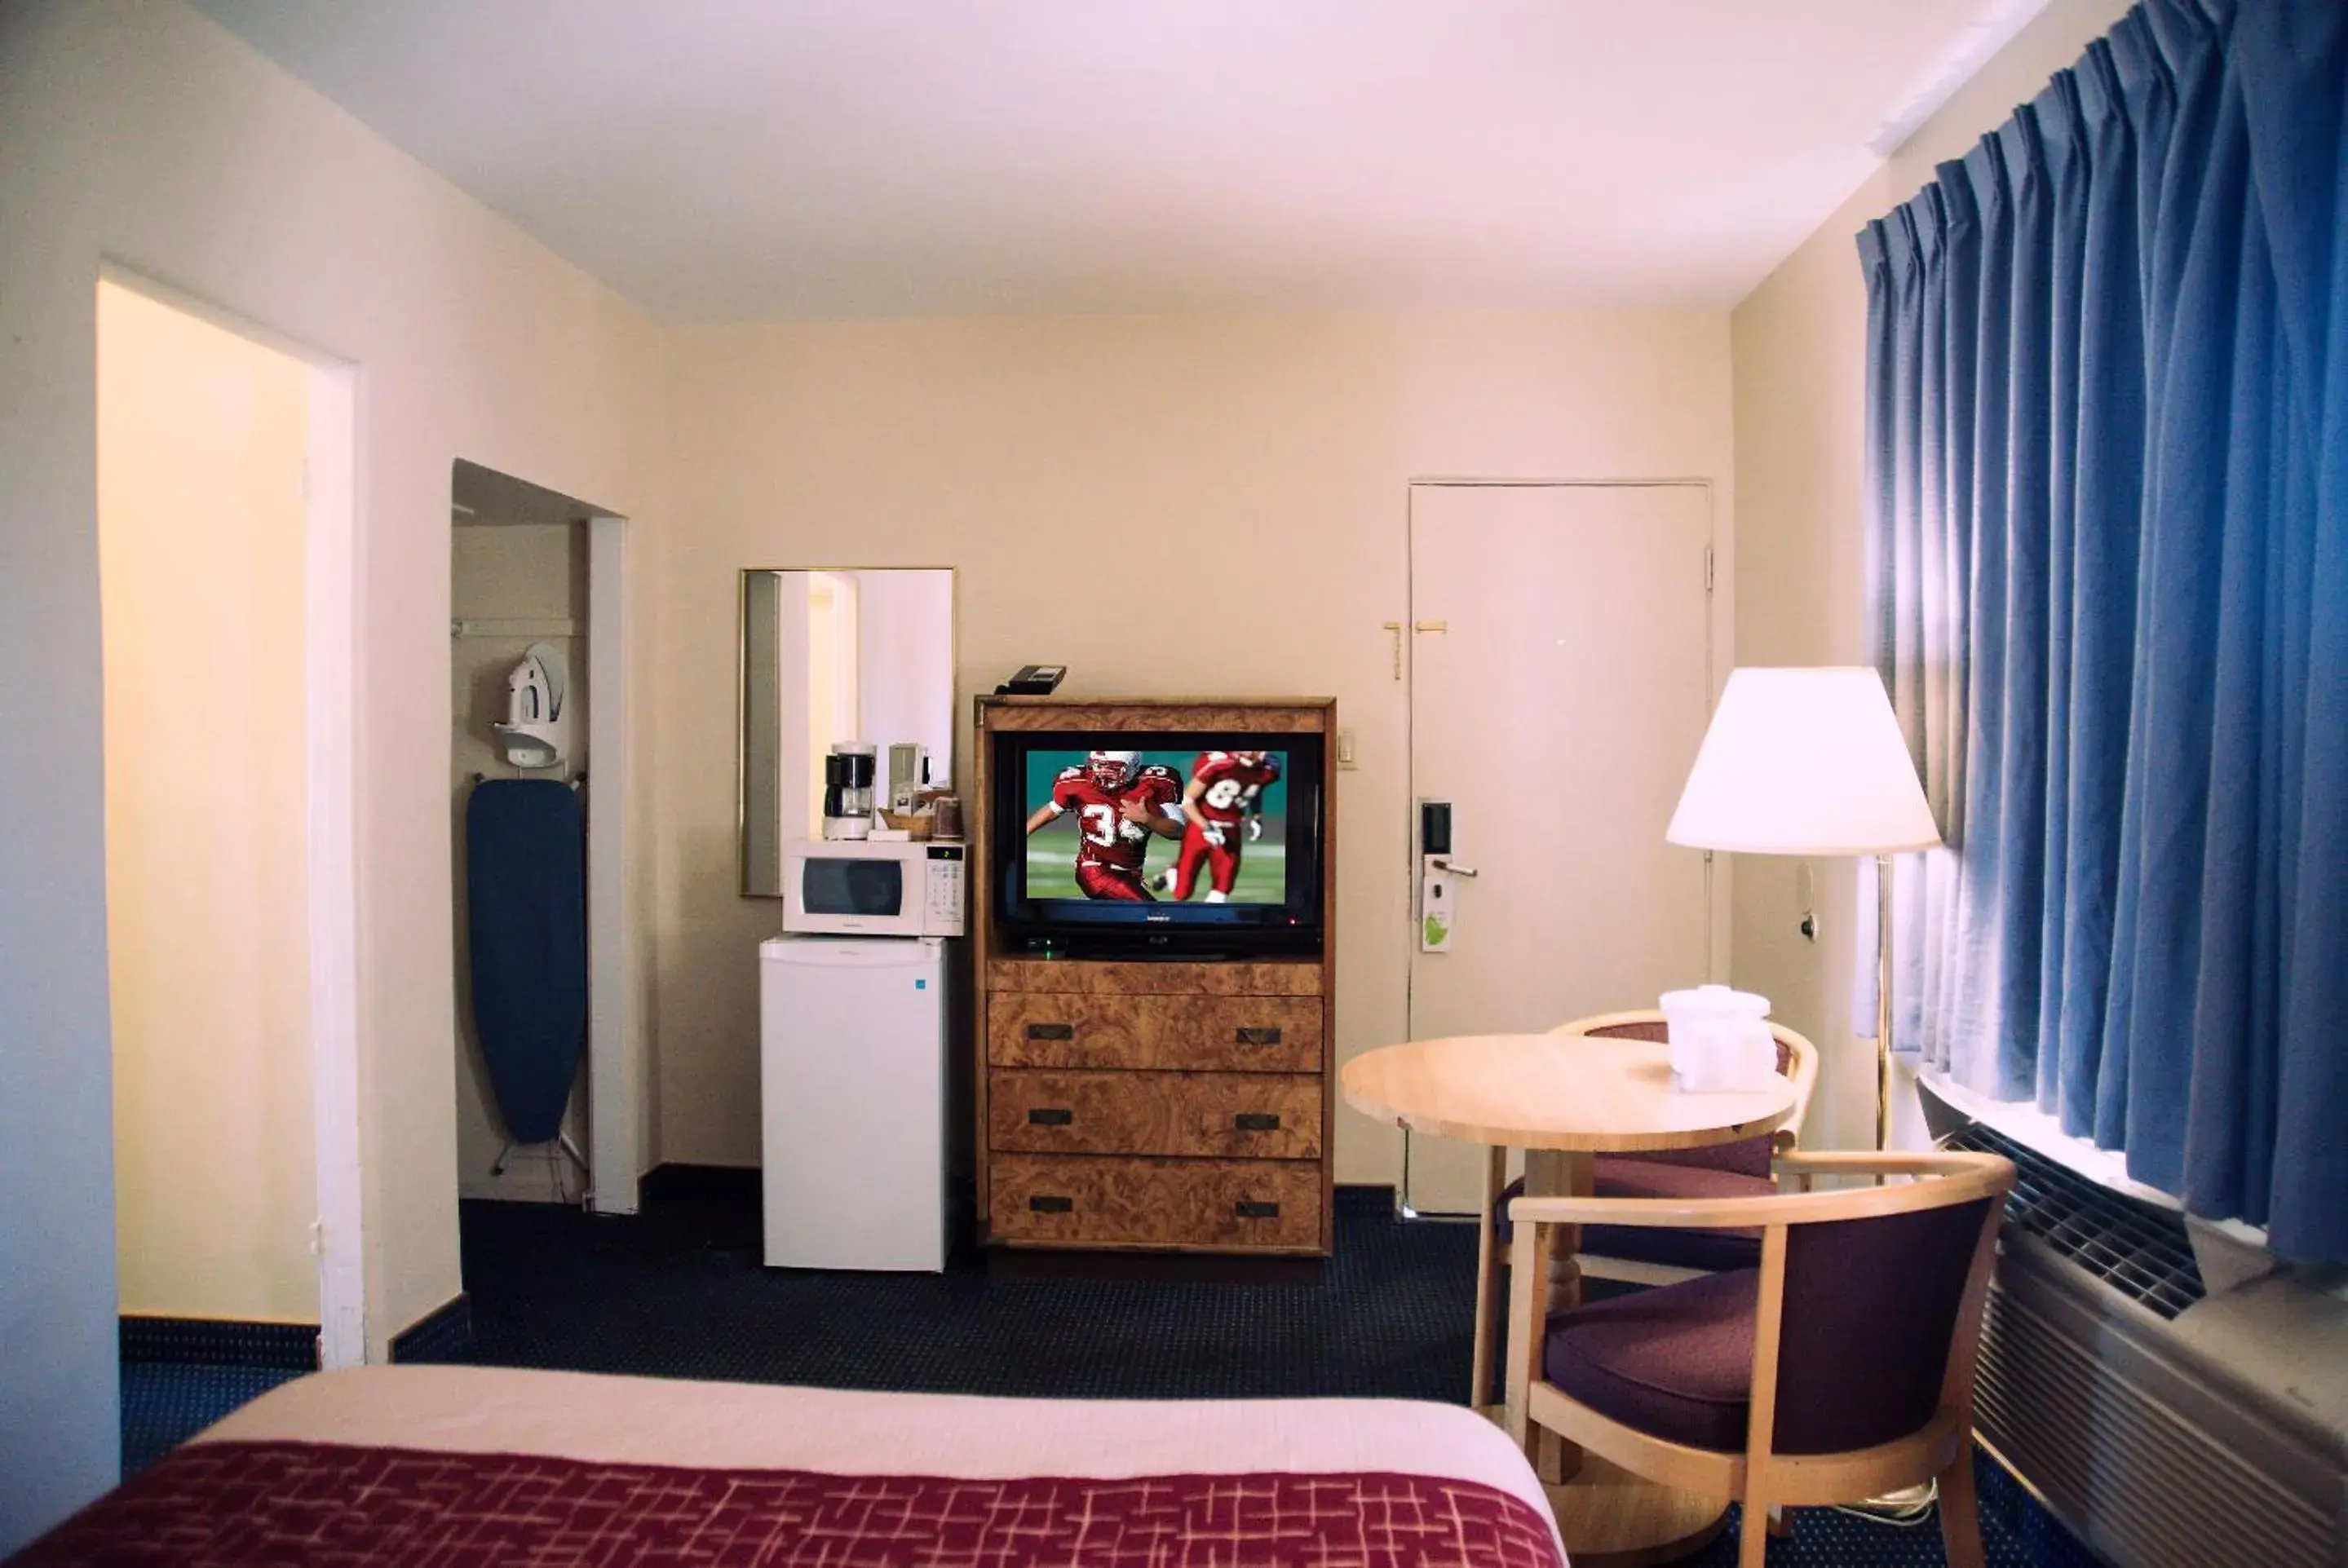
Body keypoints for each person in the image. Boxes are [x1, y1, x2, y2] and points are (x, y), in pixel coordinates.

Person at [1024, 750, 1183, 900]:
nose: (1101, 773)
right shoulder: (1077, 782)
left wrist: (1148, 819)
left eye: (1111, 769)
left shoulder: (1156, 783)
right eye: (1098, 766)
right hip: (1095, 870)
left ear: (1132, 767)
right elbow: (1054, 808)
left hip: (1131, 873)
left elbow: (1178, 831)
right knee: (1151, 912)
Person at [1152, 749, 1280, 902]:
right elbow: (1187, 800)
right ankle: (1172, 872)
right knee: (1182, 893)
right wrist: (1207, 827)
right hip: (1201, 826)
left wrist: (1256, 817)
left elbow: (1255, 788)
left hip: (1232, 828)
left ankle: (1208, 924)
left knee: (1223, 889)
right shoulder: (1219, 764)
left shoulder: (1266, 770)